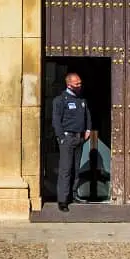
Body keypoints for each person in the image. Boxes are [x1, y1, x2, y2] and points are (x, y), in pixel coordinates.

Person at [51, 72, 92, 212]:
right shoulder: (60, 100)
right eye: (77, 84)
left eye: (80, 83)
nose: (80, 85)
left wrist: (88, 129)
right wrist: (61, 137)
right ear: (69, 84)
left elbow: (87, 115)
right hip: (67, 138)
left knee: (75, 168)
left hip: (79, 138)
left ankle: (73, 195)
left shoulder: (82, 100)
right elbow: (56, 120)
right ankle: (63, 200)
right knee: (65, 169)